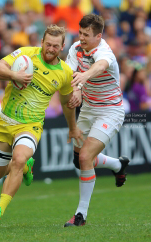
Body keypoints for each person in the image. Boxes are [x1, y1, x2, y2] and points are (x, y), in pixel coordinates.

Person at [0, 24, 83, 226]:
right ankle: (23, 168)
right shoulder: (25, 55)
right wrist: (15, 75)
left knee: (19, 158)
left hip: (30, 126)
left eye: (56, 46)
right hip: (4, 121)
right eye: (48, 44)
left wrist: (73, 127)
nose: (50, 49)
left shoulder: (64, 72)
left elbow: (66, 103)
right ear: (41, 42)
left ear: (62, 46)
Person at [64, 14, 130, 227]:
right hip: (88, 110)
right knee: (80, 160)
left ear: (98, 36)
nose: (81, 37)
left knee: (85, 157)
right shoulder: (75, 49)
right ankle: (117, 165)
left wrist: (83, 79)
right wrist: (76, 90)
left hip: (110, 111)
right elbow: (71, 75)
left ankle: (80, 215)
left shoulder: (104, 51)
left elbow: (100, 66)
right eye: (80, 32)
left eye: (86, 34)